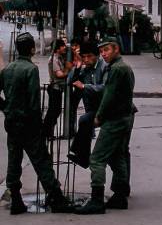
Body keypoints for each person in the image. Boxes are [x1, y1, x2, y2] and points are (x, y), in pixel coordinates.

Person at [0, 32, 73, 214]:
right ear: (33, 49)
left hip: (12, 122)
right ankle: (55, 197)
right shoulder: (30, 70)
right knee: (41, 160)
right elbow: (34, 101)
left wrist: (6, 108)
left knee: (14, 159)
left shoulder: (8, 69)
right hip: (28, 123)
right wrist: (38, 124)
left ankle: (16, 199)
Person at [75, 36, 135, 214]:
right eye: (101, 51)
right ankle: (120, 195)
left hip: (115, 118)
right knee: (117, 156)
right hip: (124, 117)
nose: (104, 54)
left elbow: (108, 95)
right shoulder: (121, 67)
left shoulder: (116, 69)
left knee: (97, 159)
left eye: (106, 50)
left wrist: (99, 117)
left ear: (116, 49)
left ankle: (96, 200)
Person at [67, 40, 106, 168]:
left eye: (89, 56)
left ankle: (80, 155)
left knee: (84, 121)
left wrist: (84, 86)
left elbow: (104, 88)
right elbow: (70, 80)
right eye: (84, 57)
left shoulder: (104, 66)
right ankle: (83, 156)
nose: (86, 59)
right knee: (84, 122)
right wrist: (77, 67)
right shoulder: (85, 68)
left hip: (105, 107)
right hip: (93, 108)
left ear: (97, 55)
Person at [42, 38, 73, 139]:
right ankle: (46, 132)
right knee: (53, 111)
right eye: (62, 46)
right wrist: (68, 69)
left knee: (55, 111)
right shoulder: (53, 59)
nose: (64, 48)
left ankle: (47, 132)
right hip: (54, 88)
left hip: (58, 88)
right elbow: (59, 74)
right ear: (57, 48)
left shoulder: (59, 57)